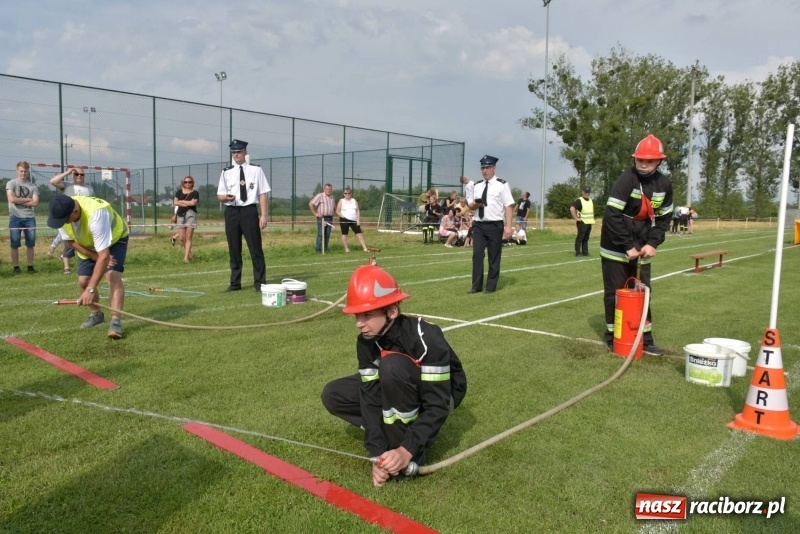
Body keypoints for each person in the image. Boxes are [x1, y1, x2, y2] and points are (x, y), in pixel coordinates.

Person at [321, 265, 467, 487]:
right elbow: (369, 396)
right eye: (357, 316)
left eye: (367, 315)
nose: (359, 324)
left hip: (442, 394)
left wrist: (406, 450)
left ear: (392, 312)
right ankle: (389, 445)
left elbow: (437, 404)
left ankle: (409, 449)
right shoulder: (366, 341)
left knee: (392, 366)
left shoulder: (425, 336)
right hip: (397, 378)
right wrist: (377, 453)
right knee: (333, 394)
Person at [599, 134, 673, 356]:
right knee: (615, 293)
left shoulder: (664, 184)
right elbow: (611, 215)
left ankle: (645, 338)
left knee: (643, 292)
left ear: (659, 161)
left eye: (649, 161)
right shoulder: (626, 180)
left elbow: (664, 218)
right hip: (615, 246)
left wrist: (652, 244)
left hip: (642, 247)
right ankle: (613, 337)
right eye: (639, 159)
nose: (643, 163)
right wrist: (627, 246)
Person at [46, 195, 129, 339]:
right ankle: (96, 315)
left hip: (114, 239)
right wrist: (94, 257)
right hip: (86, 243)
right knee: (83, 281)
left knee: (112, 275)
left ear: (75, 212)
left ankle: (115, 321)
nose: (63, 223)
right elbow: (70, 241)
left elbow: (104, 255)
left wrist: (91, 290)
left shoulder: (96, 215)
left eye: (65, 220)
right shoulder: (62, 211)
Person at [216, 139, 270, 292]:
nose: (236, 155)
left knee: (255, 248)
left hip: (249, 211)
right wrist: (225, 197)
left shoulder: (256, 170)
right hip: (232, 211)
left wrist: (263, 215)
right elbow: (220, 195)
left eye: (239, 152)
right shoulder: (226, 172)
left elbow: (262, 193)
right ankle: (235, 283)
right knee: (234, 248)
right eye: (234, 152)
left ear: (245, 153)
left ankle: (260, 283)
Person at [466, 155, 514, 294]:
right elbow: (471, 207)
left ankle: (491, 287)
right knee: (477, 255)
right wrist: (473, 205)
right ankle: (476, 286)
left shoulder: (502, 184)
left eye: (487, 167)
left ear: (494, 168)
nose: (485, 170)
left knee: (494, 256)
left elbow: (509, 206)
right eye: (483, 168)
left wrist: (509, 226)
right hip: (479, 225)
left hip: (495, 225)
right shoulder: (477, 185)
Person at [50, 167, 95, 274]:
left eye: (82, 174)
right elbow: (53, 181)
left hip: (83, 219)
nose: (79, 176)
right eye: (76, 174)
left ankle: (88, 264)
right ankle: (66, 267)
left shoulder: (89, 188)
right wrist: (68, 172)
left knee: (86, 243)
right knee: (69, 244)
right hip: (69, 219)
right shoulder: (67, 185)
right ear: (72, 175)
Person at [7, 161, 39, 274]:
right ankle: (16, 267)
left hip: (30, 218)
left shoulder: (32, 186)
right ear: (17, 171)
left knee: (30, 244)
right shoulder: (11, 183)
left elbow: (35, 203)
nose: (23, 173)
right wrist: (28, 199)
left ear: (28, 172)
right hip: (15, 217)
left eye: (25, 171)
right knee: (15, 244)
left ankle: (30, 266)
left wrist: (19, 200)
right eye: (21, 171)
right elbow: (12, 199)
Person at [173, 175, 199, 263]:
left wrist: (182, 201)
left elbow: (193, 203)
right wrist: (186, 203)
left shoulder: (195, 193)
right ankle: (190, 254)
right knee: (181, 238)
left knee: (189, 237)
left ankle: (186, 257)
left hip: (191, 214)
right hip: (180, 214)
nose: (188, 183)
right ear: (183, 183)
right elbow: (175, 202)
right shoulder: (179, 192)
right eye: (186, 182)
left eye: (189, 182)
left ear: (192, 183)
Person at [336, 187, 369, 253]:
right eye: (346, 193)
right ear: (344, 194)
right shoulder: (341, 201)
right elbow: (337, 211)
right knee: (344, 234)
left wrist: (358, 220)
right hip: (344, 220)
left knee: (359, 234)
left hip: (354, 220)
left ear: (351, 193)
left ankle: (365, 248)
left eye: (348, 193)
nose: (347, 194)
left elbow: (357, 211)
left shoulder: (354, 200)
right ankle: (346, 249)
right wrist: (342, 216)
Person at [309, 183, 336, 253]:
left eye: (330, 189)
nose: (328, 190)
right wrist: (315, 213)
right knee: (321, 234)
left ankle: (325, 249)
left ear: (331, 190)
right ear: (324, 189)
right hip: (322, 218)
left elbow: (334, 208)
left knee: (327, 234)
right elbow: (311, 204)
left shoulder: (332, 197)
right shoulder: (320, 196)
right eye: (327, 189)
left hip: (330, 218)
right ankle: (318, 250)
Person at [569, 186, 595, 257]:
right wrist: (576, 218)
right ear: (583, 192)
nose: (587, 193)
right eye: (586, 192)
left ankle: (585, 252)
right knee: (580, 238)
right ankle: (578, 253)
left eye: (588, 192)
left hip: (589, 222)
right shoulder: (579, 200)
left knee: (586, 239)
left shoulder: (590, 200)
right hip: (582, 222)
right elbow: (572, 208)